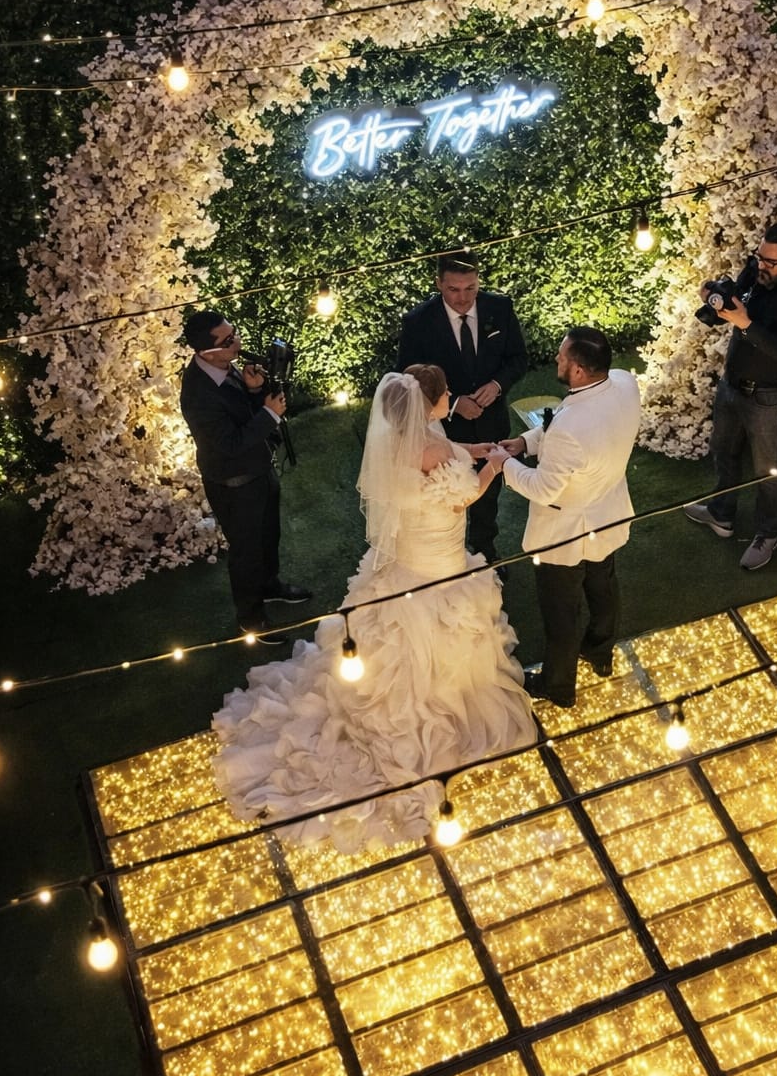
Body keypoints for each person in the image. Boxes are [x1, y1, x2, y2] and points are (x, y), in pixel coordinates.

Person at [212, 365, 536, 850]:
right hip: (437, 568)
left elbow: (445, 451)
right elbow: (462, 497)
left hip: (406, 563)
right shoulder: (431, 448)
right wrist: (494, 465)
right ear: (429, 403)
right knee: (439, 647)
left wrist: (475, 448)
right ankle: (433, 729)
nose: (451, 395)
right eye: (446, 392)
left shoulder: (408, 439)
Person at [499, 326, 641, 709]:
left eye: (562, 356)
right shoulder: (624, 383)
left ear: (577, 369)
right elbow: (565, 428)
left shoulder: (571, 429)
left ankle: (558, 686)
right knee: (603, 586)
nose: (557, 360)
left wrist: (504, 463)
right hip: (607, 513)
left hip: (564, 532)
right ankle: (599, 651)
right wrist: (526, 442)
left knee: (561, 612)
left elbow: (544, 487)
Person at [683, 221, 777, 570]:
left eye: (770, 262)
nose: (761, 265)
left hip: (769, 398)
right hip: (731, 385)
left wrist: (746, 324)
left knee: (767, 471)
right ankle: (722, 513)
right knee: (723, 450)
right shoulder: (755, 270)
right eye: (759, 257)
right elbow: (730, 310)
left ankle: (768, 534)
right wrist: (713, 302)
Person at [180, 309, 310, 646]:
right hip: (234, 484)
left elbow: (241, 413)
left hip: (259, 470)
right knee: (246, 552)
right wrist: (268, 413)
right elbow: (229, 443)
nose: (237, 342)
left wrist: (254, 392)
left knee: (268, 536)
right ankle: (251, 619)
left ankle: (269, 586)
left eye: (234, 333)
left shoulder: (226, 365)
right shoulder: (197, 394)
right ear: (207, 352)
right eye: (228, 341)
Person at [397, 250, 527, 565]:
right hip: (444, 429)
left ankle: (484, 551)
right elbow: (407, 376)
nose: (463, 298)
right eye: (454, 289)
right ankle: (449, 553)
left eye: (471, 288)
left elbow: (518, 358)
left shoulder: (500, 308)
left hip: (491, 421)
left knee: (488, 496)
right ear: (439, 283)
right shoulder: (418, 322)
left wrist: (496, 385)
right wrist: (454, 403)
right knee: (445, 498)